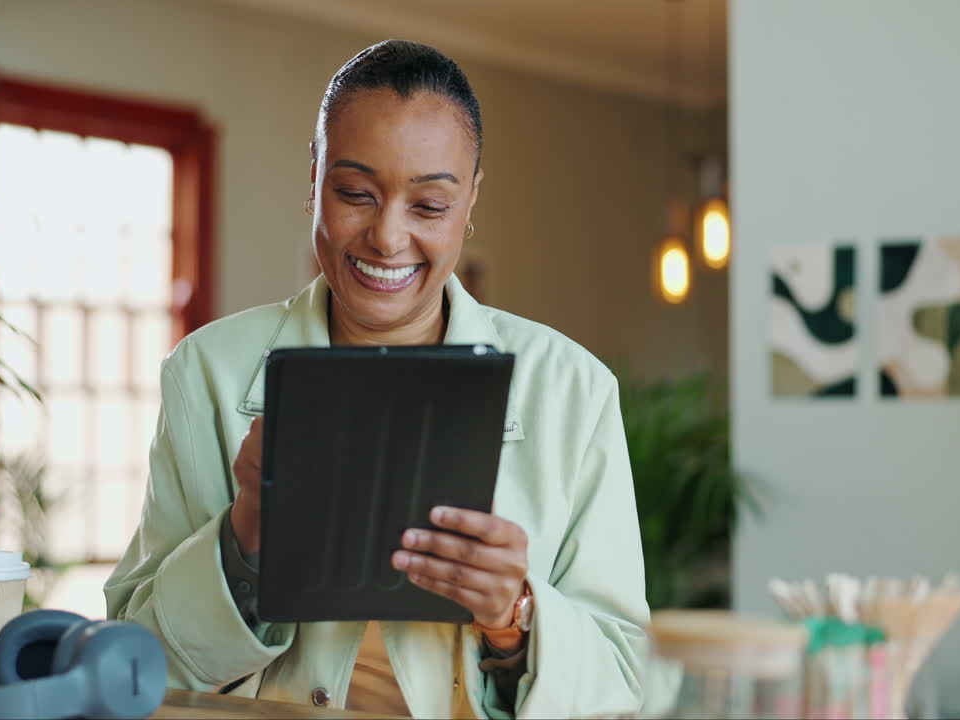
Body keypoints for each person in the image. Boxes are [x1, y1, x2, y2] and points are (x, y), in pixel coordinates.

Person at [105, 39, 652, 719]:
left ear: (471, 199)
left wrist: (513, 615)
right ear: (314, 178)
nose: (388, 238)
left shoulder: (574, 392)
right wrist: (242, 541)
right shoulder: (205, 374)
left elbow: (629, 674)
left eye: (428, 207)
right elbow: (129, 663)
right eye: (355, 193)